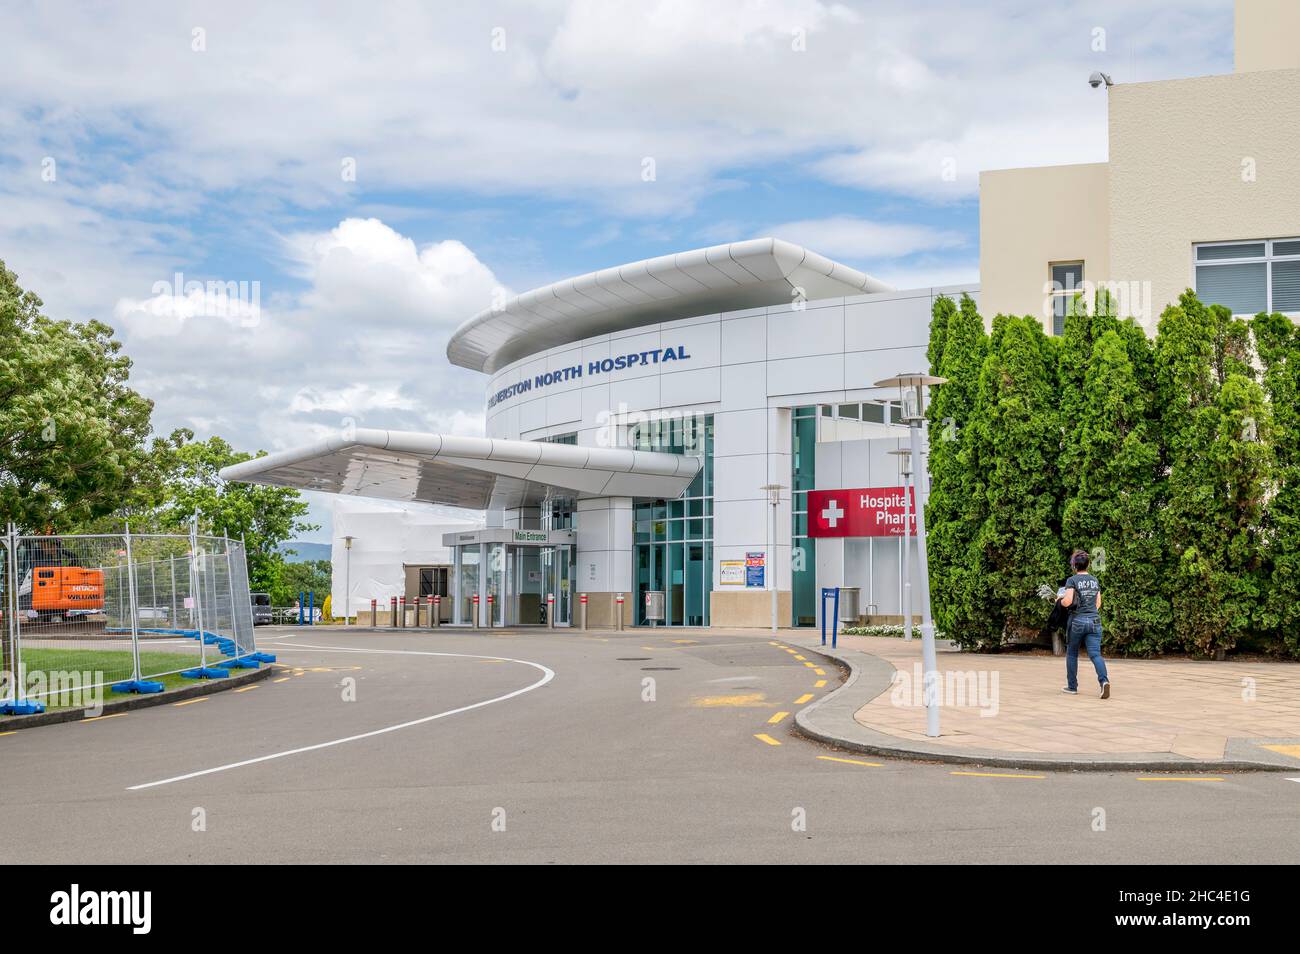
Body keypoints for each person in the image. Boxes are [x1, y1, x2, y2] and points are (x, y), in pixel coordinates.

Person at [1058, 549, 1110, 699]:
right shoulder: (1095, 580)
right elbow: (1098, 603)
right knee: (1095, 654)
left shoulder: (1072, 580)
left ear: (1074, 566)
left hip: (1077, 621)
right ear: (1087, 565)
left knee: (1072, 653)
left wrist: (1059, 600)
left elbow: (1067, 601)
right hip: (1094, 621)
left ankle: (1072, 686)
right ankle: (1104, 681)